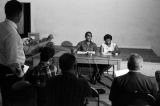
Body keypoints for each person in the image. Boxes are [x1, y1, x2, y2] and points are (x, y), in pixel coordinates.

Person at [0, 0, 26, 105]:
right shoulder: (12, 34)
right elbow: (13, 62)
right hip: (11, 73)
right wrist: (21, 75)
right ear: (19, 15)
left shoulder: (1, 26)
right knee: (14, 99)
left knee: (6, 96)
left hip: (2, 68)